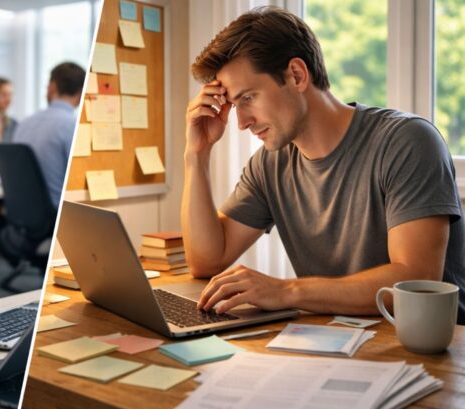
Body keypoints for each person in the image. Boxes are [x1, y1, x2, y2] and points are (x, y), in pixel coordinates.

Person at [182, 6, 465, 322]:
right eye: (235, 105)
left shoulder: (407, 141)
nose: (242, 122)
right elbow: (207, 261)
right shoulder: (270, 164)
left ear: (297, 75)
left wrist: (287, 291)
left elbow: (414, 282)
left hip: (430, 353)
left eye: (248, 98)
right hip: (336, 343)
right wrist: (197, 155)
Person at [13, 62, 85, 208]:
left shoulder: (23, 124)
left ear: (52, 87)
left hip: (22, 218)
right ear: (80, 92)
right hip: (56, 217)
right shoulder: (73, 127)